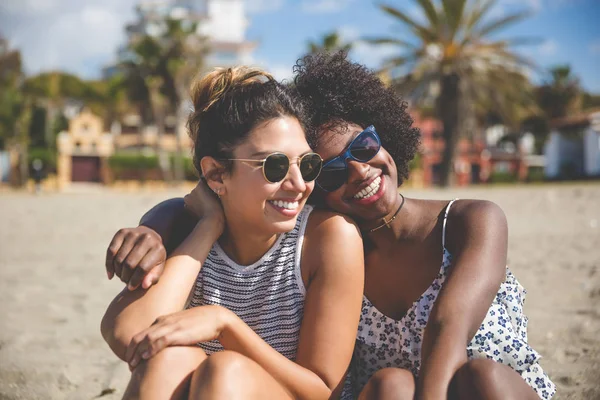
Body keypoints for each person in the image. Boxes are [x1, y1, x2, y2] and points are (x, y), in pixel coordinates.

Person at [106, 52, 555, 400]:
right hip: (389, 390)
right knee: (391, 385)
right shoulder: (192, 219)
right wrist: (194, 223)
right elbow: (130, 335)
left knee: (478, 375)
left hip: (481, 386)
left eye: (364, 146)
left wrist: (224, 324)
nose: (357, 172)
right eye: (333, 170)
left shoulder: (463, 221)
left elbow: (445, 328)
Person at [100, 66, 364, 400]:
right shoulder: (189, 226)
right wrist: (209, 225)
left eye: (307, 164)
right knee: (166, 359)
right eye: (275, 166)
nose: (299, 184)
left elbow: (324, 390)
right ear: (216, 175)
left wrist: (226, 326)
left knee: (226, 369)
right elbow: (130, 334)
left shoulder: (326, 237)